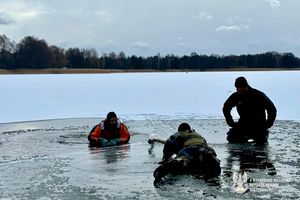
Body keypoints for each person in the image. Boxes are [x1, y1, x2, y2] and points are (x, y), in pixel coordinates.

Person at [153, 123, 221, 181]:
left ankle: (179, 162)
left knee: (185, 159)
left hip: (189, 149)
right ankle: (209, 160)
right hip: (202, 149)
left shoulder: (180, 133)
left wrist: (165, 158)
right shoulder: (198, 135)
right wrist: (214, 155)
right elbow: (208, 147)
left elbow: (169, 142)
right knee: (204, 155)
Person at [223, 77, 277, 144]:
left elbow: (272, 109)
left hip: (259, 125)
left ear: (246, 86)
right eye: (237, 88)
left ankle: (262, 135)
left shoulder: (258, 95)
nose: (238, 90)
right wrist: (230, 122)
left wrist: (268, 124)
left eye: (240, 88)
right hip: (243, 123)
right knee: (231, 138)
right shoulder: (236, 96)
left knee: (260, 141)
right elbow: (226, 108)